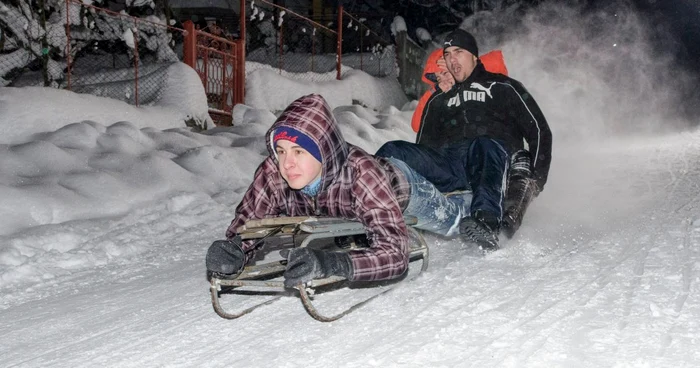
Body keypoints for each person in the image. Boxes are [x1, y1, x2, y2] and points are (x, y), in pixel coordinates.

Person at [206, 94, 471, 288]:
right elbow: (251, 219)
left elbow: (395, 253)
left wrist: (334, 264)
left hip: (401, 187)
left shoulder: (361, 174)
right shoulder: (274, 172)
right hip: (352, 205)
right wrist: (235, 249)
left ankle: (476, 198)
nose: (288, 163)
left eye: (299, 151)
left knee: (453, 220)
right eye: (282, 151)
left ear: (323, 151)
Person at [377, 28, 552, 250]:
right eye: (447, 54)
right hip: (450, 166)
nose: (452, 59)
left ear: (473, 56)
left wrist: (536, 179)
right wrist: (439, 96)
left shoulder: (503, 86)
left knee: (484, 143)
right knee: (393, 150)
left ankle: (486, 222)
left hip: (491, 162)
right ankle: (370, 210)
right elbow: (425, 145)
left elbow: (539, 130)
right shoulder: (439, 98)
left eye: (458, 51)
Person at [411, 48, 509, 133]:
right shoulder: (443, 98)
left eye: (445, 73)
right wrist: (433, 92)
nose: (444, 81)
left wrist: (462, 67)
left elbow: (497, 62)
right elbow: (417, 125)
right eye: (439, 79)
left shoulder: (475, 81)